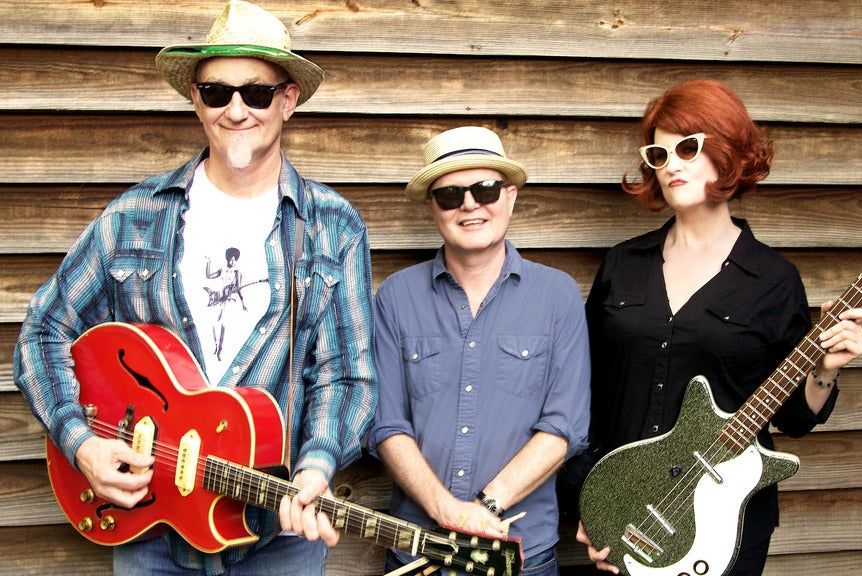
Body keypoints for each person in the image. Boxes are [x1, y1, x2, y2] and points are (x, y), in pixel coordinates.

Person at [13, 1, 377, 574]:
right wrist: (81, 443)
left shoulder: (334, 228)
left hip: (275, 537)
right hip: (152, 526)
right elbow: (42, 331)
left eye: (256, 93)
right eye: (216, 92)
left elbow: (345, 373)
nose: (236, 109)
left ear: (288, 100)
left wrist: (317, 465)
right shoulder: (133, 217)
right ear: (195, 99)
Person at [568, 79, 862, 574]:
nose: (672, 165)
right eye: (659, 155)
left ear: (727, 152)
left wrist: (824, 370)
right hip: (625, 515)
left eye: (688, 148)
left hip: (723, 527)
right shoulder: (623, 264)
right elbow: (583, 395)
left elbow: (794, 420)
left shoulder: (773, 279)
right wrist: (591, 499)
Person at [368, 126, 591, 575]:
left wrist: (486, 507)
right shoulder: (395, 297)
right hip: (420, 551)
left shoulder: (558, 296)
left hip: (521, 555)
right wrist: (449, 511)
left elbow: (565, 426)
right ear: (433, 208)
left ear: (510, 196)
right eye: (450, 195)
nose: (469, 205)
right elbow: (386, 424)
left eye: (485, 189)